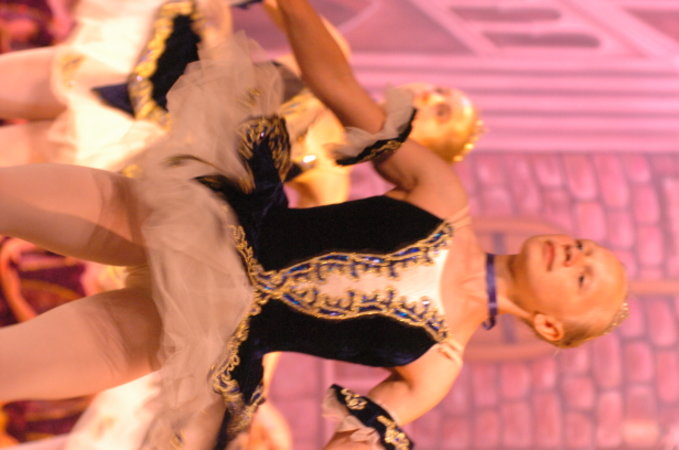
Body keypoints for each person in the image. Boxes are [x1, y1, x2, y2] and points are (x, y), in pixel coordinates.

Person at [0, 0, 628, 449]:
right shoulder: (445, 199)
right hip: (182, 223)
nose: (573, 254)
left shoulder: (436, 366)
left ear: (549, 326)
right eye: (583, 246)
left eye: (583, 276)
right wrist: (294, 7)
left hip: (179, 331)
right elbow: (338, 87)